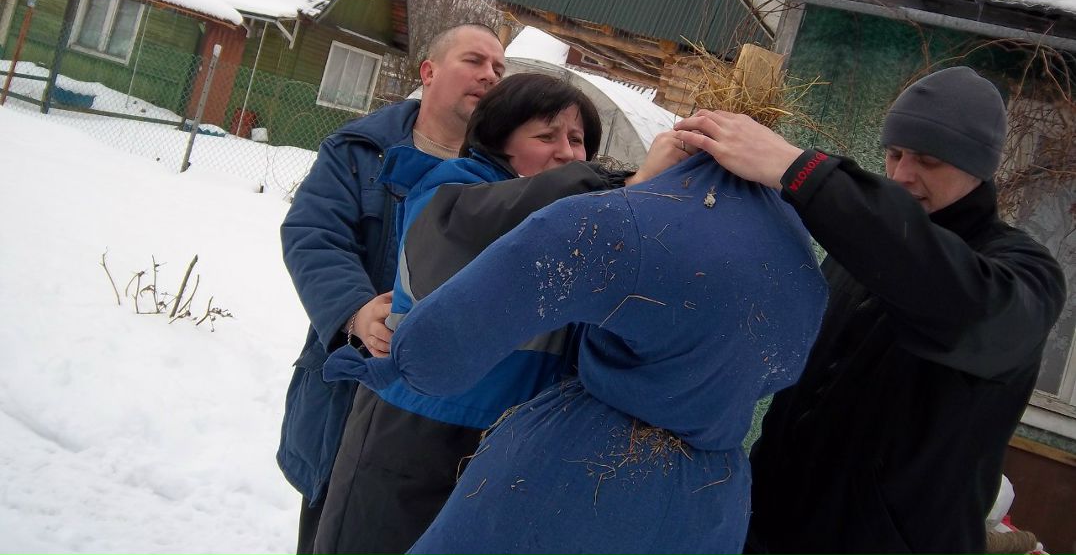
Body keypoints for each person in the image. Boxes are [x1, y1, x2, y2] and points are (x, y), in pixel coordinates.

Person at [324, 118, 831, 552]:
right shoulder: (803, 262)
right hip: (710, 494)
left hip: (579, 470)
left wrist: (399, 363)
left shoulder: (623, 222)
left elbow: (469, 319)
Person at [672, 66, 1067, 554]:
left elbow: (956, 301)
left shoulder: (1024, 275)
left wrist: (801, 172)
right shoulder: (860, 253)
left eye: (928, 160)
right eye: (895, 153)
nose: (902, 175)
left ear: (977, 167)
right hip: (769, 529)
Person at [315, 72, 690, 555]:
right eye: (545, 135)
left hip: (510, 440)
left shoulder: (579, 219)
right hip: (412, 432)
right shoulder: (451, 190)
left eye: (577, 141)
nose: (567, 152)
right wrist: (625, 188)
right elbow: (484, 229)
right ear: (497, 139)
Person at [278, 23, 506, 555]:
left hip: (450, 414)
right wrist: (357, 313)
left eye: (499, 69)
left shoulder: (505, 173)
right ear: (428, 72)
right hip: (353, 387)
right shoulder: (361, 150)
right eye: (475, 61)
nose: (490, 75)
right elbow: (313, 236)